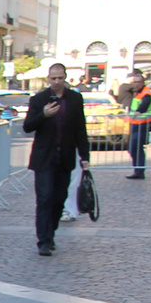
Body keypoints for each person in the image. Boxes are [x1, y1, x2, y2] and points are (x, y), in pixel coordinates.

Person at [22, 63, 91, 256]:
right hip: (44, 158)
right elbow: (28, 126)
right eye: (53, 78)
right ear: (48, 79)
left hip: (65, 156)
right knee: (44, 198)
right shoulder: (39, 99)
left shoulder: (75, 99)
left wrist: (85, 157)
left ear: (65, 78)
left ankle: (50, 233)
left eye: (60, 78)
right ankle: (43, 241)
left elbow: (80, 129)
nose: (57, 82)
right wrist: (43, 115)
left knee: (59, 199)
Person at [120, 71, 151, 179]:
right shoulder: (137, 92)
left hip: (143, 124)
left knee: (135, 147)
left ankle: (139, 171)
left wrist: (139, 112)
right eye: (134, 82)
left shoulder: (146, 92)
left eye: (138, 82)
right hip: (136, 123)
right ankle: (138, 170)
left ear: (143, 82)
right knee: (133, 148)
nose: (136, 84)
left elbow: (145, 103)